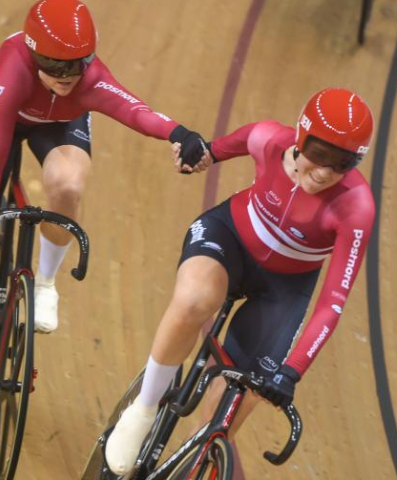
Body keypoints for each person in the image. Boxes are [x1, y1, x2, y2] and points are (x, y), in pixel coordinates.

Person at [105, 87, 376, 474]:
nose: (323, 172)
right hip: (228, 237)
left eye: (341, 164)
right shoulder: (267, 139)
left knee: (225, 417)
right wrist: (199, 154)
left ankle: (187, 462)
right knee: (196, 300)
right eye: (318, 156)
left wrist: (292, 370)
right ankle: (144, 409)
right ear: (300, 137)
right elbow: (217, 149)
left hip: (283, 289)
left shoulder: (356, 208)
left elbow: (333, 301)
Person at [0, 0, 207, 382]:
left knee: (68, 183)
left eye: (76, 64)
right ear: (33, 56)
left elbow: (136, 111)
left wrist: (179, 133)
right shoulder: (15, 70)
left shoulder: (89, 78)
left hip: (58, 122)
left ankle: (45, 284)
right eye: (55, 66)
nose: (66, 76)